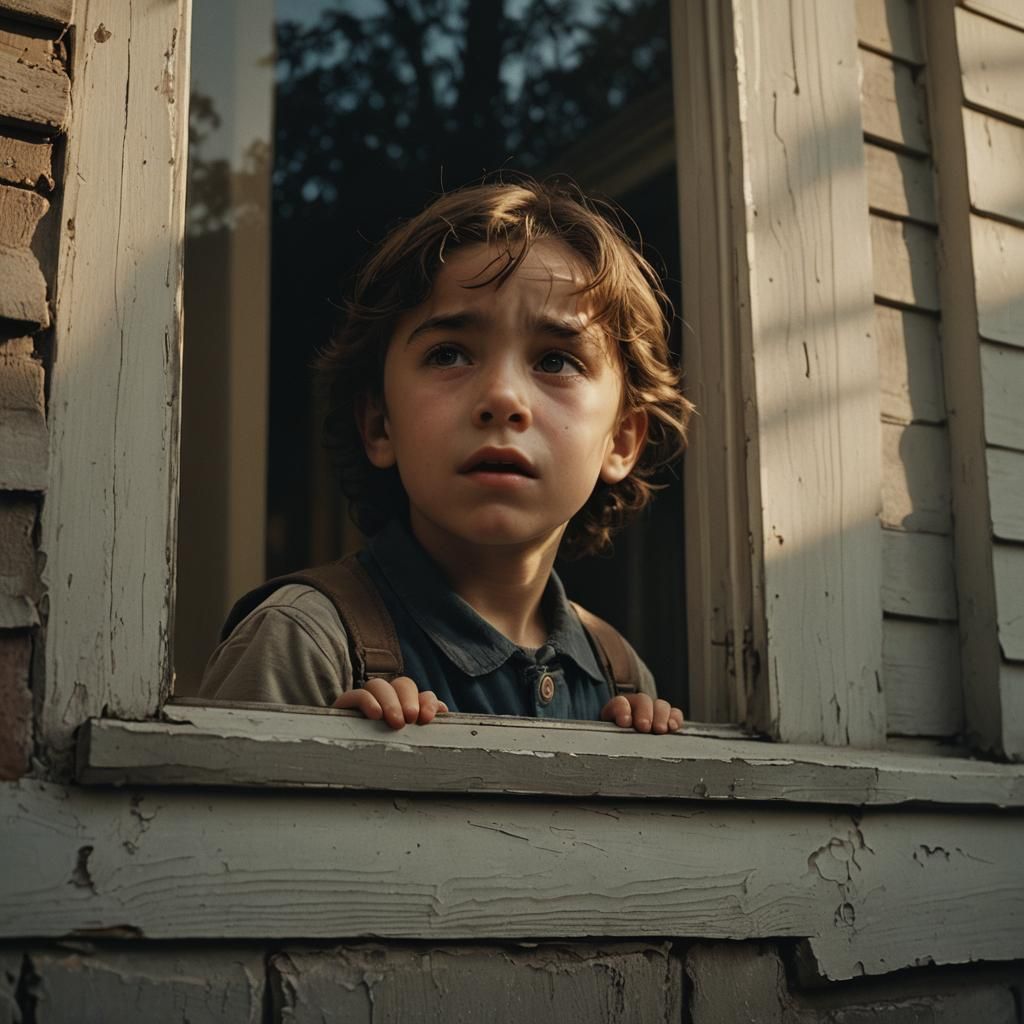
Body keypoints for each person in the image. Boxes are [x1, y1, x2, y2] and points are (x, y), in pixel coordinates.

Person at [200, 178, 694, 734]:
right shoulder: (303, 643)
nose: (503, 399)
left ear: (621, 440)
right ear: (379, 424)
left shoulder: (622, 677)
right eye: (450, 353)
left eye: (555, 361)